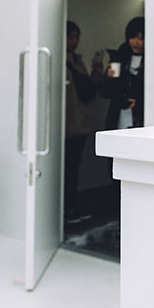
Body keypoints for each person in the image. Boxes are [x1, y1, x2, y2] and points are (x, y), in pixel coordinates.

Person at [64, 21, 97, 221]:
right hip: (71, 124)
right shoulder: (67, 61)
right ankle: (67, 210)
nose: (75, 41)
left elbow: (88, 90)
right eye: (71, 37)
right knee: (69, 168)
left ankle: (69, 208)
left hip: (77, 123)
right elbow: (87, 89)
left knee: (72, 168)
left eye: (77, 37)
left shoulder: (76, 60)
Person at [100, 16, 145, 130]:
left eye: (140, 39)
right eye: (132, 37)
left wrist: (139, 102)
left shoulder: (151, 57)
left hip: (140, 114)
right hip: (119, 110)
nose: (135, 42)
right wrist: (108, 76)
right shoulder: (121, 54)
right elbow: (106, 90)